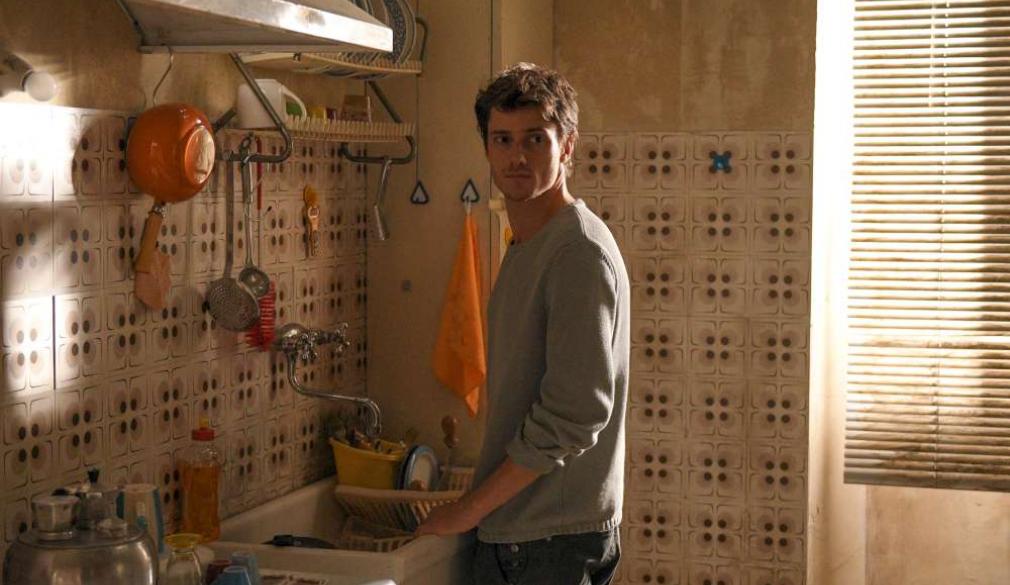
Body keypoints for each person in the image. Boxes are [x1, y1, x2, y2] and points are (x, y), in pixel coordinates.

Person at [416, 62, 631, 585]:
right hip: (536, 534)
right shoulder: (532, 242)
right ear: (487, 147)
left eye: (535, 139)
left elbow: (575, 414)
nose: (517, 156)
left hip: (544, 542)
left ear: (567, 146)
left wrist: (468, 510)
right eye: (503, 139)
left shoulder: (576, 251)